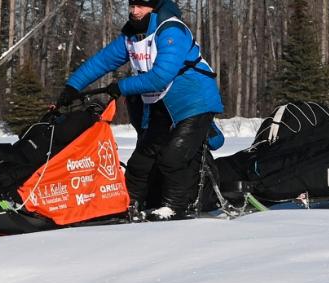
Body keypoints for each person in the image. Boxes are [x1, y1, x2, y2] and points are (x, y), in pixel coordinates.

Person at [56, 0, 223, 220]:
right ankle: (126, 204)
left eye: (141, 6)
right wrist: (72, 86)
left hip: (195, 102)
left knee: (173, 158)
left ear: (154, 7)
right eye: (132, 5)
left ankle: (174, 208)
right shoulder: (133, 35)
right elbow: (101, 62)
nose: (135, 11)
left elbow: (160, 76)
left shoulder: (171, 30)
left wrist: (121, 87)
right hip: (164, 105)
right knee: (141, 161)